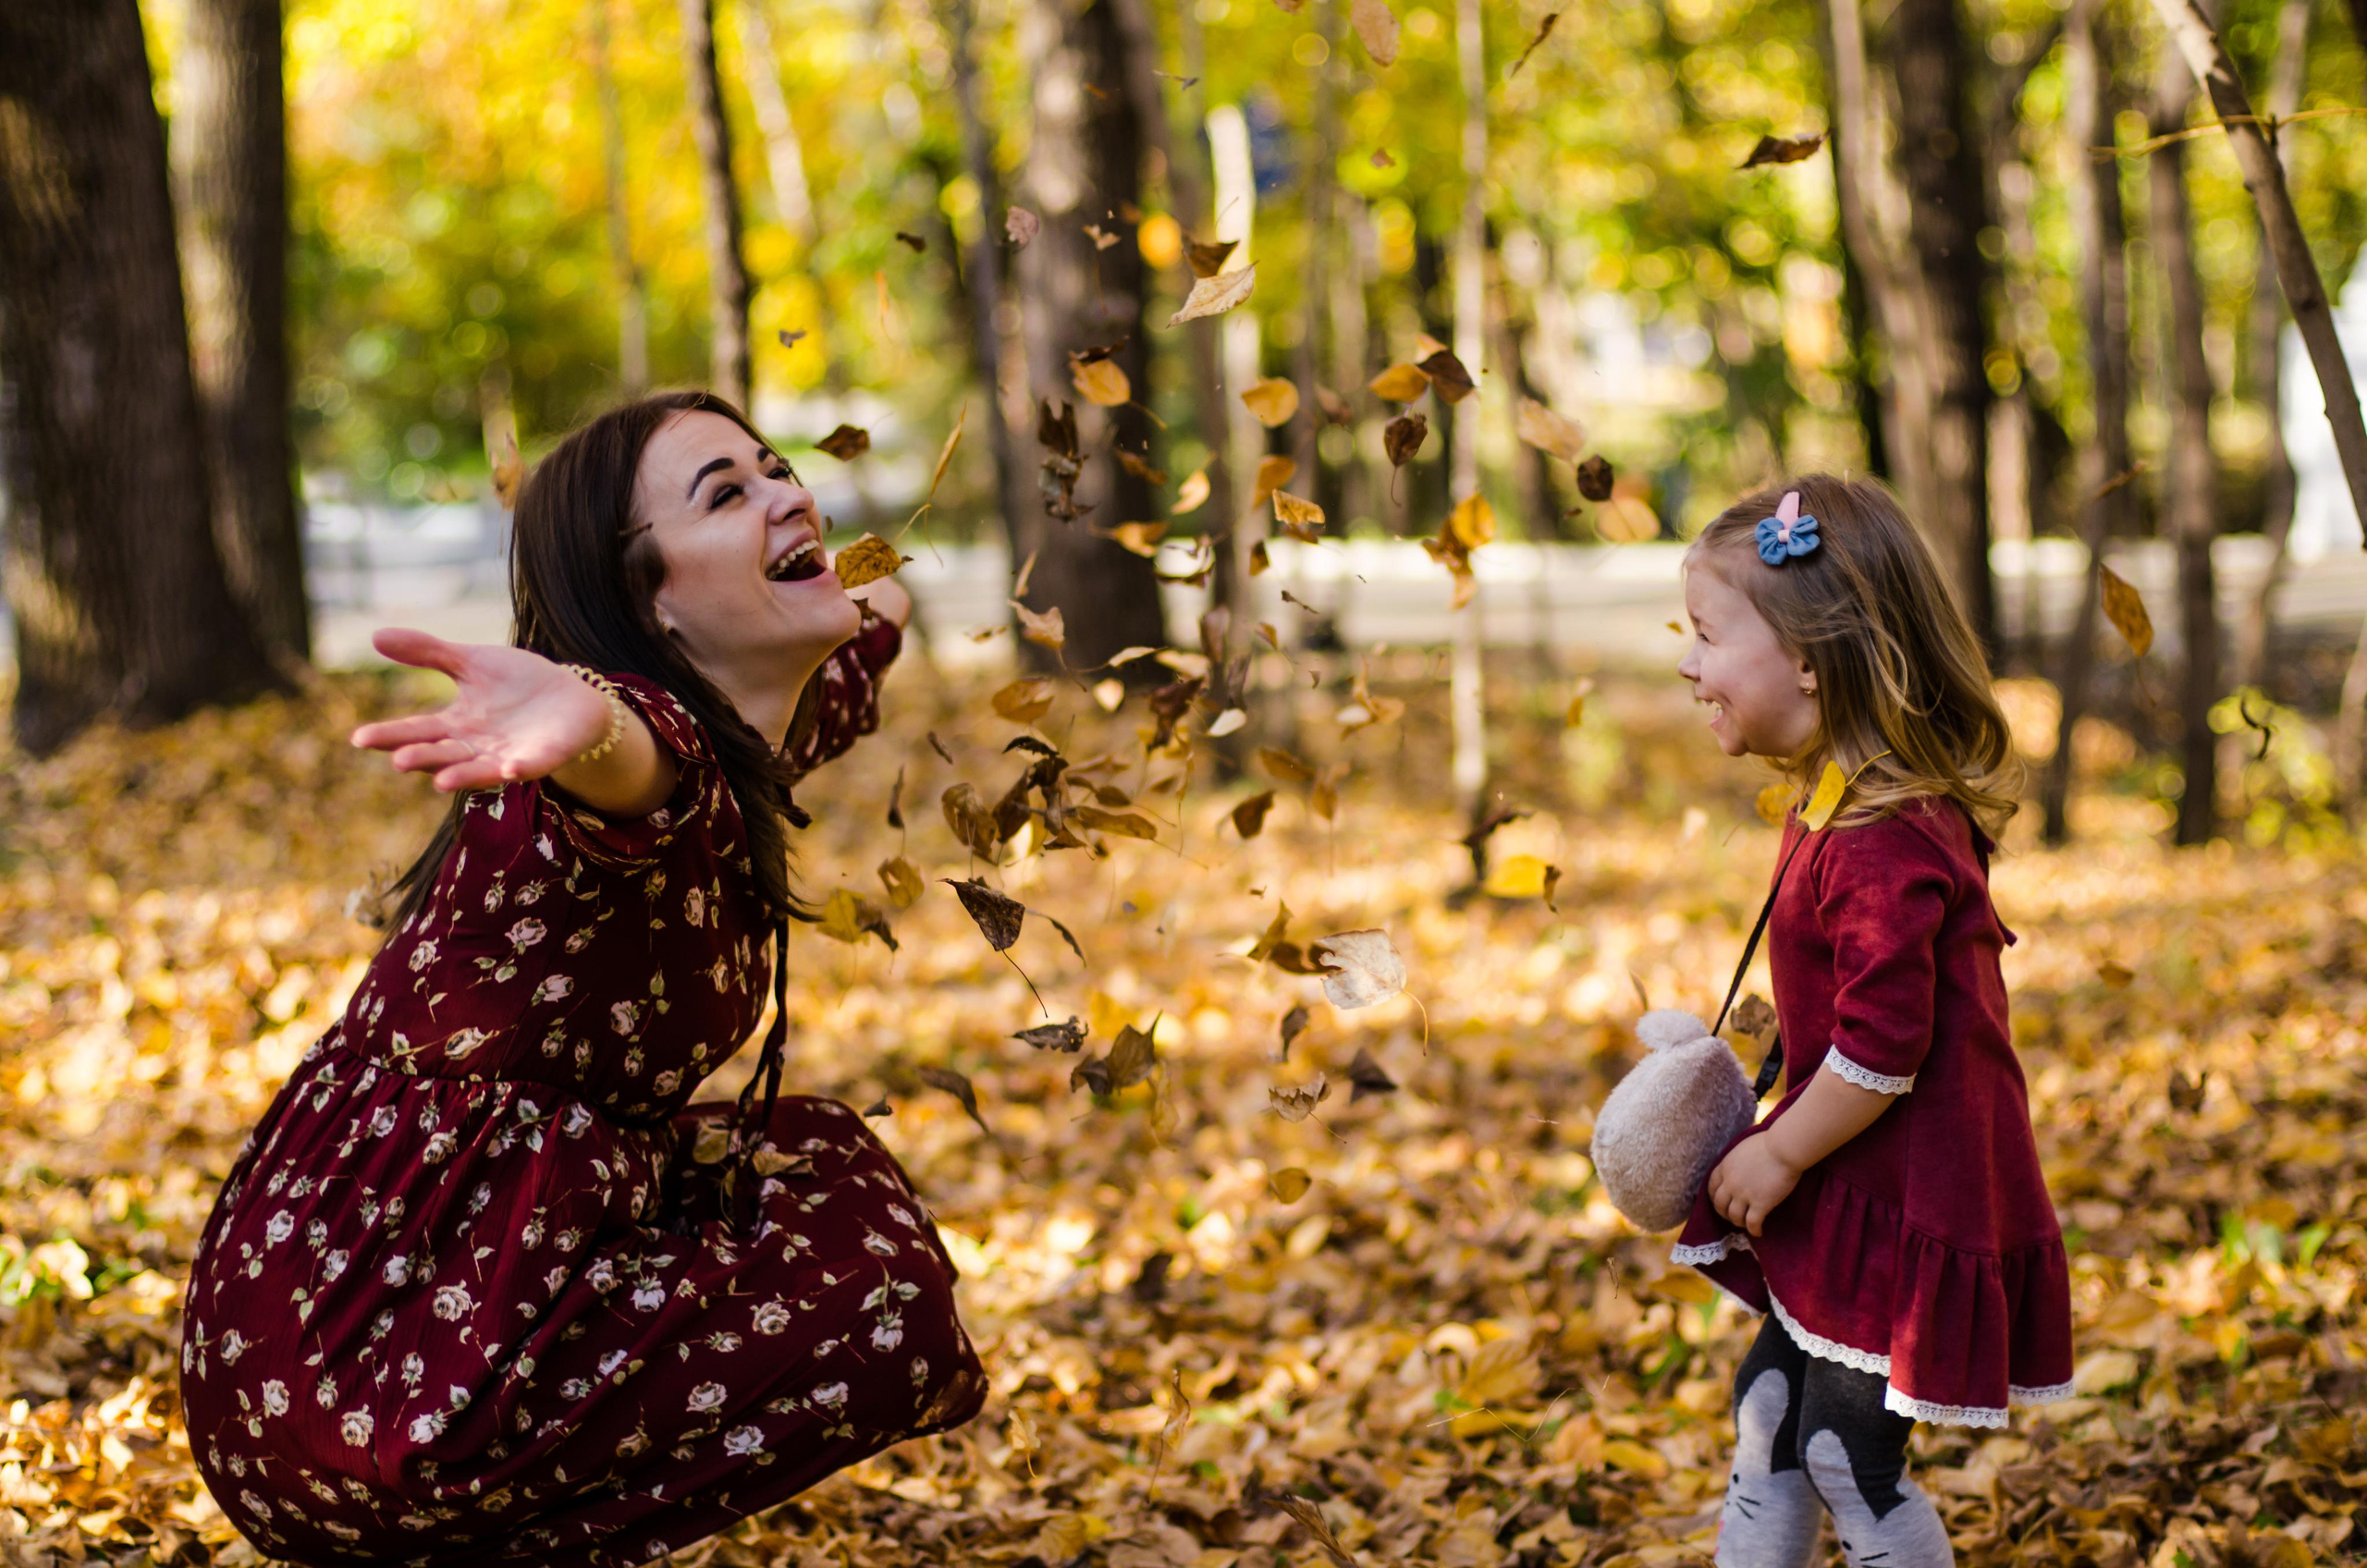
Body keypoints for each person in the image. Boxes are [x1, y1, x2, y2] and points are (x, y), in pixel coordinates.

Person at [181, 391, 986, 1566]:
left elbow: (879, 612)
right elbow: (629, 754)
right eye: (726, 493)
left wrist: (840, 583)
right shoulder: (634, 755)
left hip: (401, 1307)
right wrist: (586, 713)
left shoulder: (756, 730)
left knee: (819, 1191)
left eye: (776, 470)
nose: (788, 495)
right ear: (647, 604)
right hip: (359, 1351)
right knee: (866, 1272)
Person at [1667, 477, 2073, 1568]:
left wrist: (1781, 1151)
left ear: (1809, 657)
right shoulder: (1838, 800)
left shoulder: (1883, 830)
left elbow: (1884, 1044)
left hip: (1906, 1187)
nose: (1687, 663)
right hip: (1861, 1175)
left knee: (1847, 1452)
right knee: (1767, 1413)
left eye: (1707, 635)